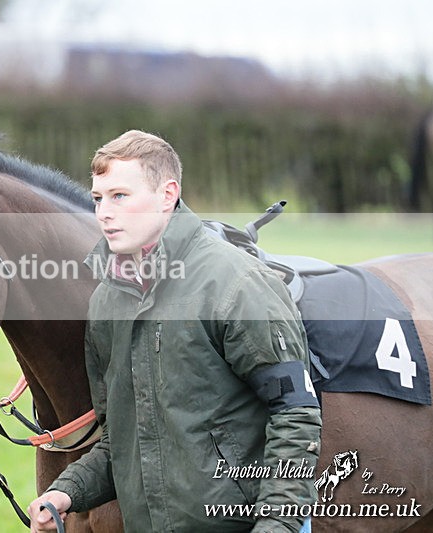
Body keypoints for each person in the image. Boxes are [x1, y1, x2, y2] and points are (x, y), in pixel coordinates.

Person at [28, 130, 322, 532]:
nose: (104, 213)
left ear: (167, 195)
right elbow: (121, 440)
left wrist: (279, 525)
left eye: (120, 196)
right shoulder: (105, 304)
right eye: (98, 198)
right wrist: (67, 492)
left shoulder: (236, 285)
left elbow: (295, 415)